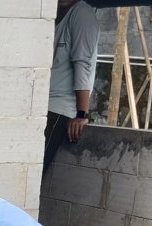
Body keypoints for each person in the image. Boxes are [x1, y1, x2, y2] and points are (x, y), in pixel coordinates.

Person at [45, 0, 98, 172]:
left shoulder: (82, 13)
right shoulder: (53, 13)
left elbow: (82, 63)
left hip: (59, 109)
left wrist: (82, 113)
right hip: (43, 105)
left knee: (35, 172)